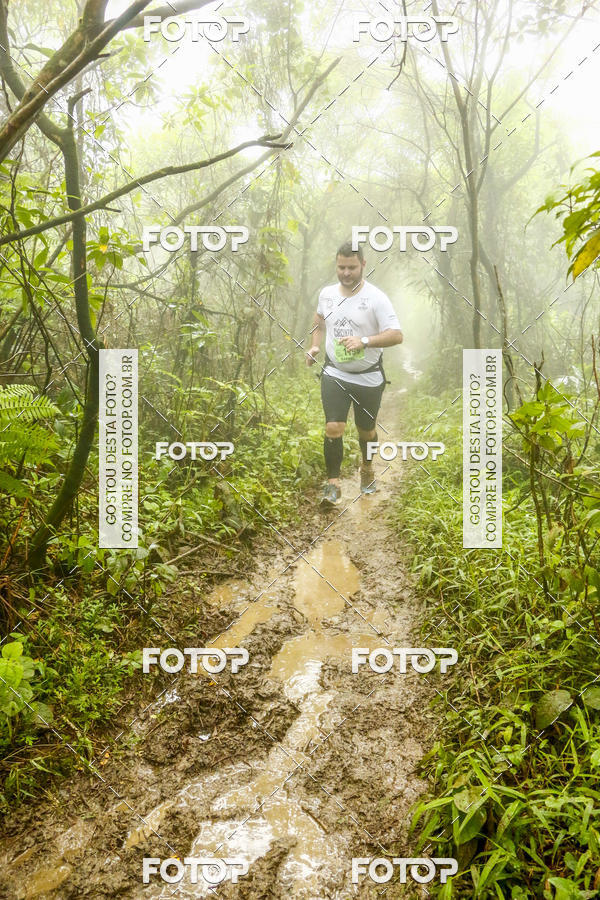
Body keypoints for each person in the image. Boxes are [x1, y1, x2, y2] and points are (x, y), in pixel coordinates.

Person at [305, 240, 403, 506]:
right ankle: (332, 485)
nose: (346, 273)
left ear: (363, 265)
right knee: (334, 427)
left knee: (365, 431)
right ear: (336, 266)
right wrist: (314, 346)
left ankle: (367, 467)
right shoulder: (326, 294)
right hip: (335, 373)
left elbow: (396, 335)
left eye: (351, 267)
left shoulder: (376, 298)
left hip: (369, 377)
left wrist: (365, 341)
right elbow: (318, 322)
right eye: (341, 268)